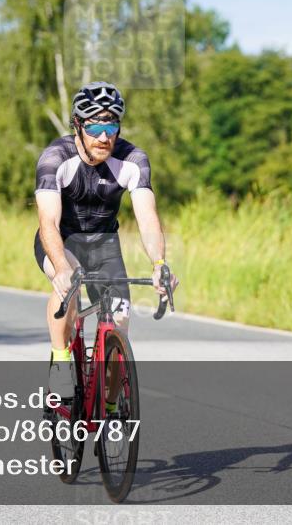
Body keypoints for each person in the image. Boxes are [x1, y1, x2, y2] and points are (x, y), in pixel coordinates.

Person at [34, 81, 179, 403]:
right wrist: (60, 268)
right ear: (78, 125)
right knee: (68, 286)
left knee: (121, 321)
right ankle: (61, 361)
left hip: (104, 245)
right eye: (95, 126)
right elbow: (48, 222)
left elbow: (147, 217)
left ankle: (112, 411)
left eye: (111, 125)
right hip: (62, 240)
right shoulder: (55, 157)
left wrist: (159, 264)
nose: (104, 136)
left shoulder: (133, 159)